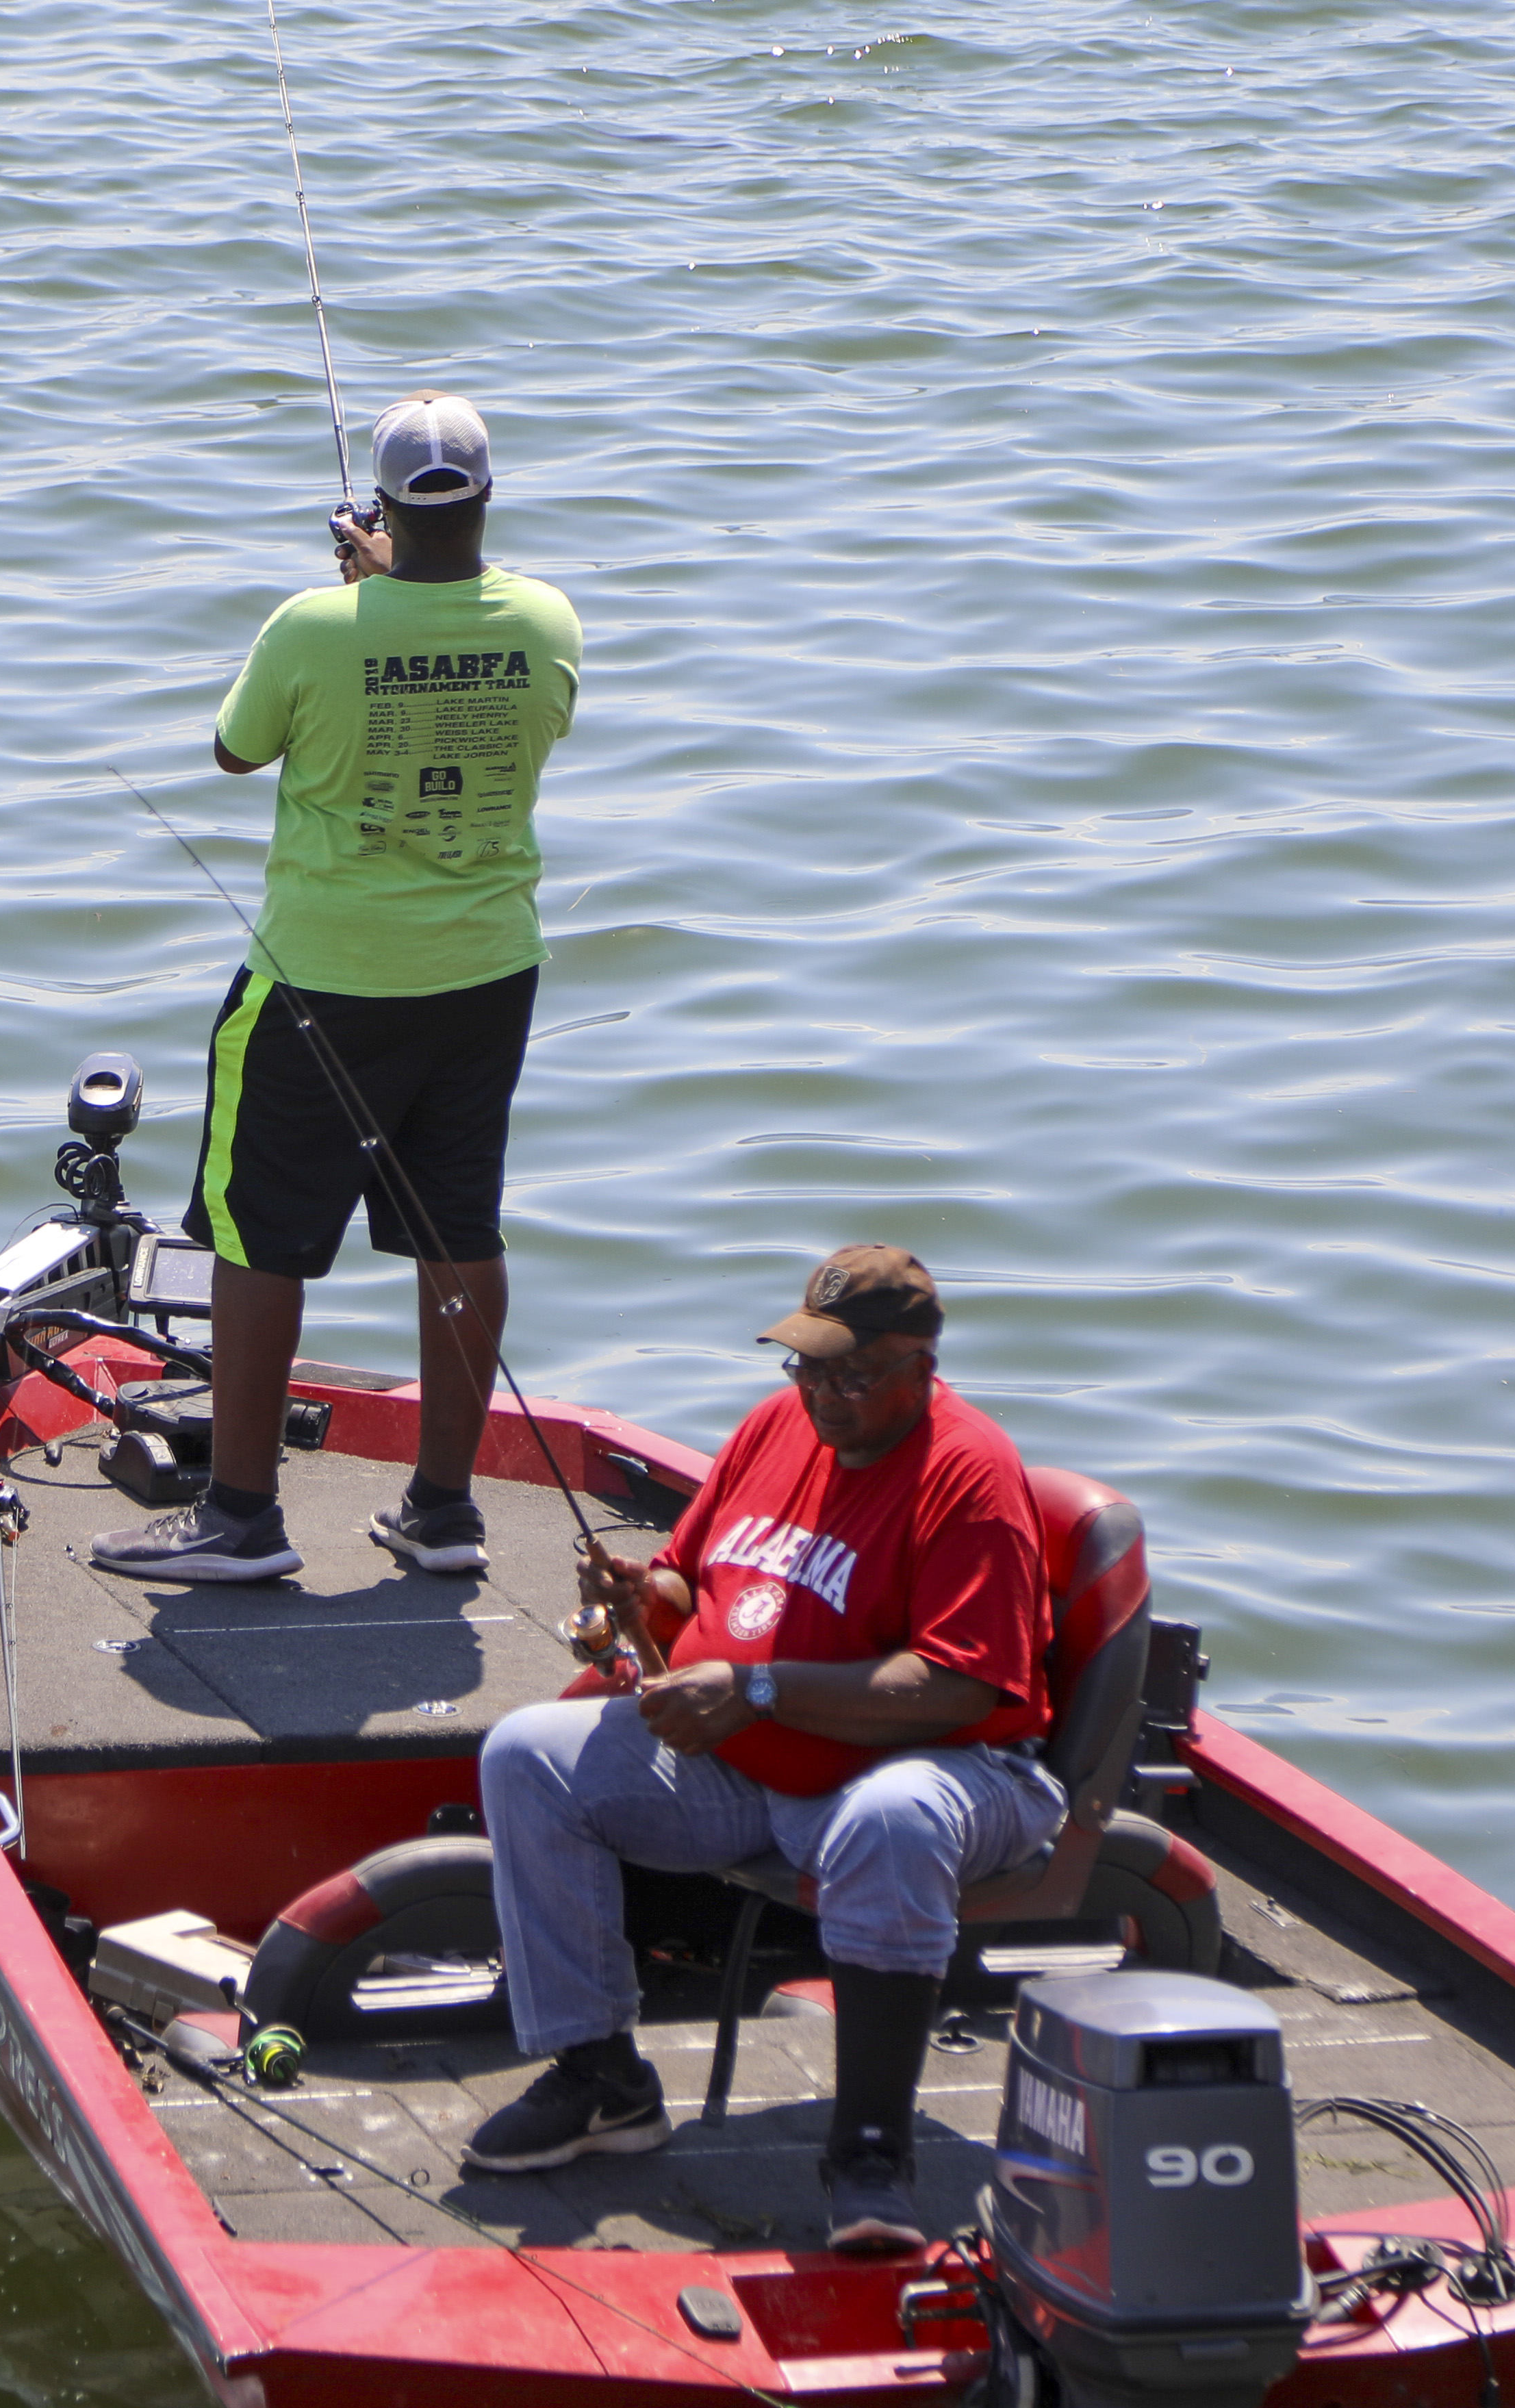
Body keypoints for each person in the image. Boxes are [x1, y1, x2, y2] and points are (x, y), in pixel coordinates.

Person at [457, 1245, 1064, 2257]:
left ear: (922, 1365)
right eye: (808, 1366)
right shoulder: (778, 1425)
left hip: (951, 1771)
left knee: (893, 1820)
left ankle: (872, 2150)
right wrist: (639, 1597)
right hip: (754, 1760)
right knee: (529, 1753)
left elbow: (960, 1687)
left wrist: (756, 1688)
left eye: (852, 1376)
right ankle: (603, 2078)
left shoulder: (971, 1476)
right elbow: (694, 1580)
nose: (823, 1394)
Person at [92, 391, 583, 1586]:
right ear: (484, 496)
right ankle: (443, 1511)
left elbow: (234, 748)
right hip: (486, 974)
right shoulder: (547, 619)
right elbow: (527, 712)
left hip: (323, 983)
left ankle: (242, 1516)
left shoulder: (314, 627)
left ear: (380, 510)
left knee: (259, 1237)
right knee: (458, 1228)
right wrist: (396, 588)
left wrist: (365, 592)